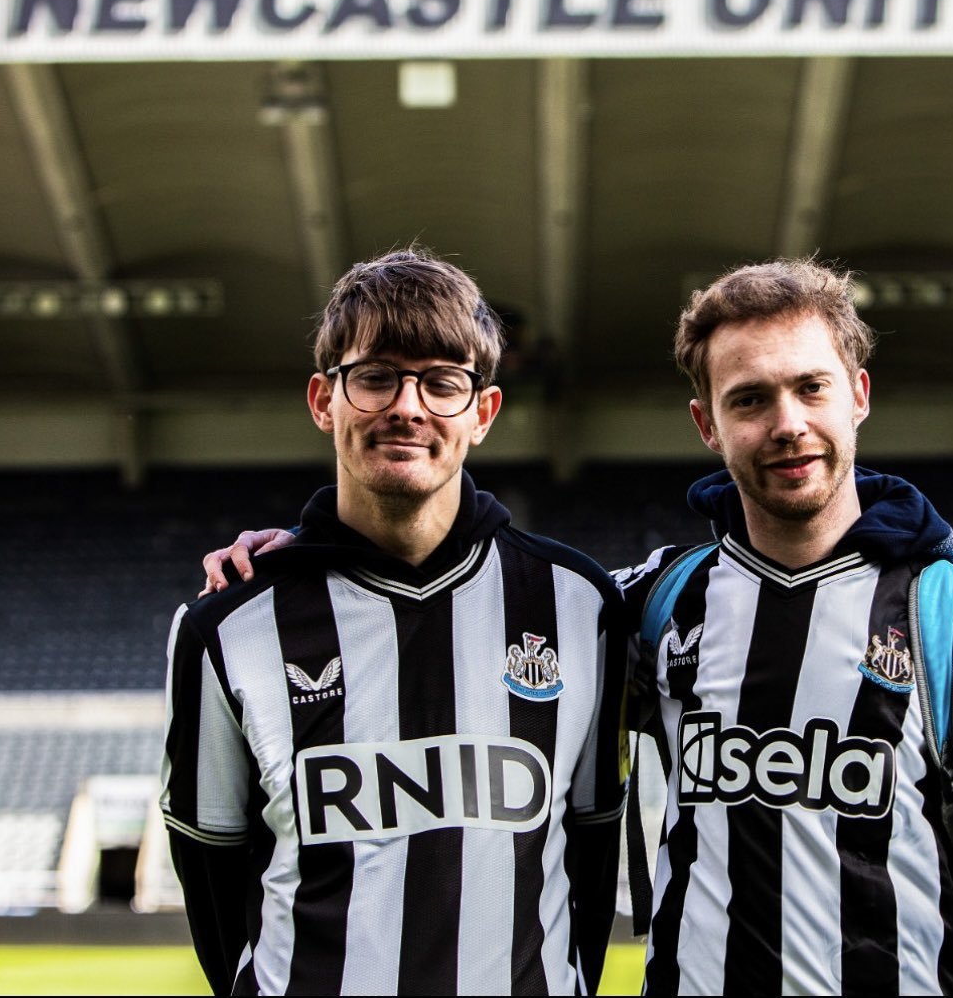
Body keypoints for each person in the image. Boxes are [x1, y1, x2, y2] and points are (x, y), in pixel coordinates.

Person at [205, 255, 953, 996]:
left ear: (856, 395)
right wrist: (313, 548)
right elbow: (459, 606)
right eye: (749, 399)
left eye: (810, 388)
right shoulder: (651, 607)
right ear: (706, 423)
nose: (786, 423)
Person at [163, 248, 628, 996]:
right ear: (324, 400)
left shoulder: (580, 605)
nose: (406, 407)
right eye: (375, 375)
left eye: (443, 381)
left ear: (482, 412)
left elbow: (591, 852)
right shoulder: (229, 625)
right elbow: (213, 875)